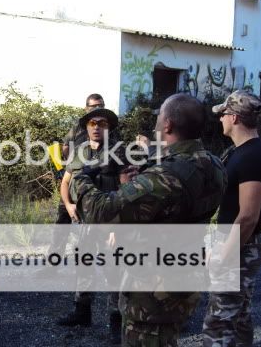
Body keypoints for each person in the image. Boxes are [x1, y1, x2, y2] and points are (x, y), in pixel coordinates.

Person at [70, 93, 227, 347]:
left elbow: (102, 211)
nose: (156, 123)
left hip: (153, 289)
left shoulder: (164, 176)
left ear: (168, 125)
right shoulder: (215, 164)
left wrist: (81, 180)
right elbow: (170, 206)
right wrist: (136, 186)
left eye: (159, 117)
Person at [203, 90, 261, 347]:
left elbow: (247, 216)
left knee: (219, 321)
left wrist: (224, 254)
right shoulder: (241, 152)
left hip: (239, 248)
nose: (220, 119)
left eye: (222, 114)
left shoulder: (252, 156)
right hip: (238, 245)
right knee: (240, 315)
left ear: (234, 117)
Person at [55, 108, 128, 344]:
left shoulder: (119, 153)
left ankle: (116, 321)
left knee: (113, 271)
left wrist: (118, 226)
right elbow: (66, 181)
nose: (96, 127)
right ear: (86, 127)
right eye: (92, 123)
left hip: (110, 223)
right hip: (85, 222)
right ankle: (82, 311)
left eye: (102, 123)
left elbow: (127, 191)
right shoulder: (79, 152)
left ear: (109, 127)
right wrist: (68, 205)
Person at [38, 93, 110, 271]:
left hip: (98, 187)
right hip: (73, 184)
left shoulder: (109, 129)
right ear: (86, 108)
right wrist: (73, 165)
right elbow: (64, 148)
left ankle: (101, 272)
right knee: (62, 225)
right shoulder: (77, 127)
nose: (96, 109)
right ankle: (52, 266)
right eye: (92, 106)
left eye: (100, 105)